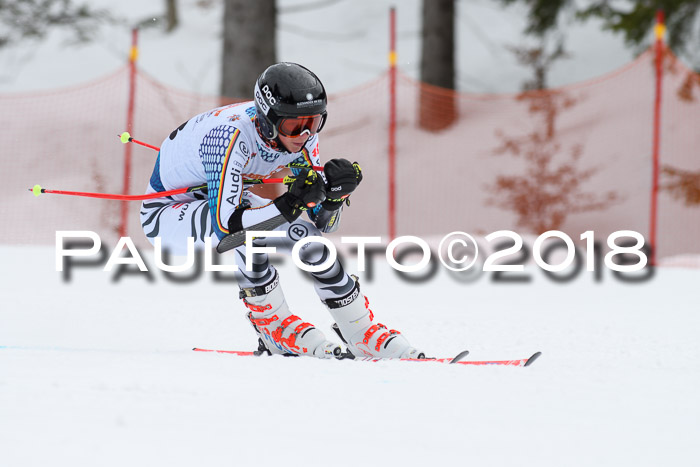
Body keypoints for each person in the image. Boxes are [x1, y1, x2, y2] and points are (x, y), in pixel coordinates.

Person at [141, 62, 423, 360]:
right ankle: (271, 325)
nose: (303, 134)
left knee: (306, 237)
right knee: (252, 228)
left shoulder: (301, 135)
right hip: (169, 213)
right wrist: (289, 203)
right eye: (293, 125)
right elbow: (227, 230)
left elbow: (322, 224)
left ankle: (360, 331)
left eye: (313, 123)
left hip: (224, 202)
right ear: (269, 120)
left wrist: (333, 199)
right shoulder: (227, 137)